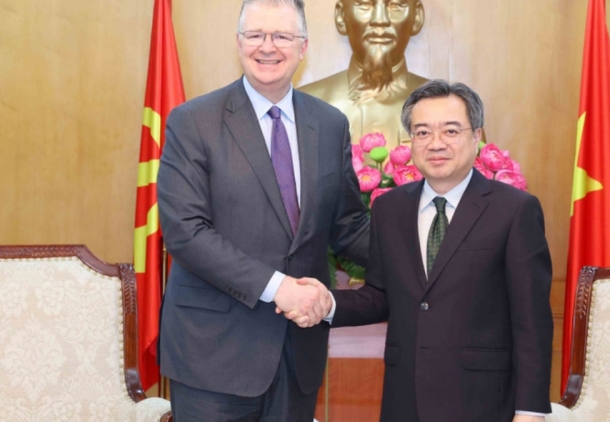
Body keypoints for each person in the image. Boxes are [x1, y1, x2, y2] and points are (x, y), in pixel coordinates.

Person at [290, 80, 553, 421]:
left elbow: (532, 319)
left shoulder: (514, 210)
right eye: (423, 132)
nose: (436, 143)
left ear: (476, 136)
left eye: (451, 131)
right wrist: (327, 303)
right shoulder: (390, 208)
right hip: (405, 399)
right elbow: (381, 295)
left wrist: (530, 411)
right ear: (411, 141)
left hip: (482, 401)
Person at [156, 0, 369, 420]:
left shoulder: (330, 124)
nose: (267, 47)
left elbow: (348, 224)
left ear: (303, 47)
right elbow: (185, 231)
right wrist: (278, 287)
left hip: (297, 353)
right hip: (212, 356)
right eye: (255, 35)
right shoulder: (193, 121)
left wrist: (427, 256)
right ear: (239, 43)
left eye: (282, 36)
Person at [299, 0, 428, 149]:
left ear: (417, 17)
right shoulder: (304, 106)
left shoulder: (442, 105)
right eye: (364, 4)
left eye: (396, 5)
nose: (380, 20)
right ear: (341, 16)